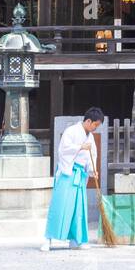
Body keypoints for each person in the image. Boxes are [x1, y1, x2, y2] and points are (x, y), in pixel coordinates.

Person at [40, 107, 103, 252]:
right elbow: (63, 150)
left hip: (80, 175)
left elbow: (92, 156)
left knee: (78, 209)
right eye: (95, 125)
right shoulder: (71, 131)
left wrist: (93, 171)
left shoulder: (90, 137)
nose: (95, 128)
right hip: (68, 173)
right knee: (60, 206)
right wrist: (80, 147)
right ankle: (48, 239)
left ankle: (76, 240)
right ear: (88, 121)